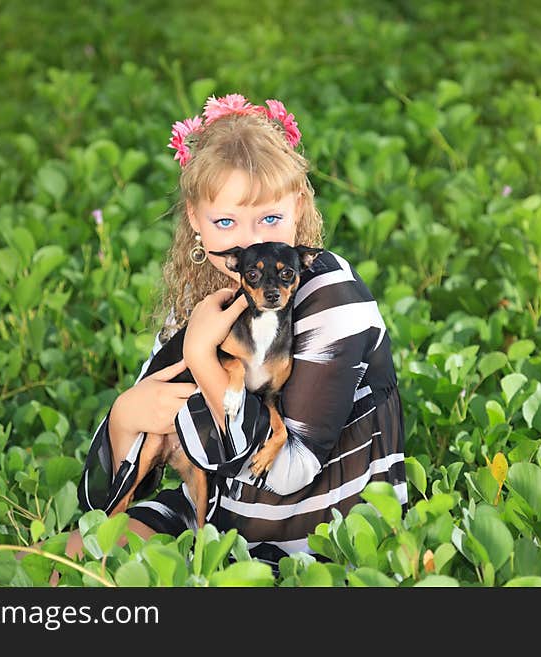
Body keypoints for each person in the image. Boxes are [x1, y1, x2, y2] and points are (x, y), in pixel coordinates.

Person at [55, 93, 407, 580]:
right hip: (211, 515)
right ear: (195, 222)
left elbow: (290, 472)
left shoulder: (333, 296)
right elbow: (126, 472)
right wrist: (123, 417)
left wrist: (202, 357)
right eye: (225, 221)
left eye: (269, 218)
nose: (248, 241)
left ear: (298, 208)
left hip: (323, 534)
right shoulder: (198, 298)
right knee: (61, 562)